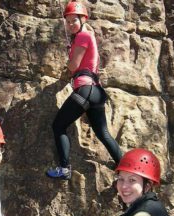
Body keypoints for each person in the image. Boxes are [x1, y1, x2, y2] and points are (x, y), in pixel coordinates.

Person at [46, 0, 123, 180]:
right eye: (68, 21)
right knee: (103, 133)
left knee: (58, 126)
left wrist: (70, 59)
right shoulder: (88, 37)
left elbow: (74, 66)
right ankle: (123, 166)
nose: (71, 24)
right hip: (96, 92)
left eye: (74, 20)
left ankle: (64, 169)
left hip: (85, 89)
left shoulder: (82, 36)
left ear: (83, 20)